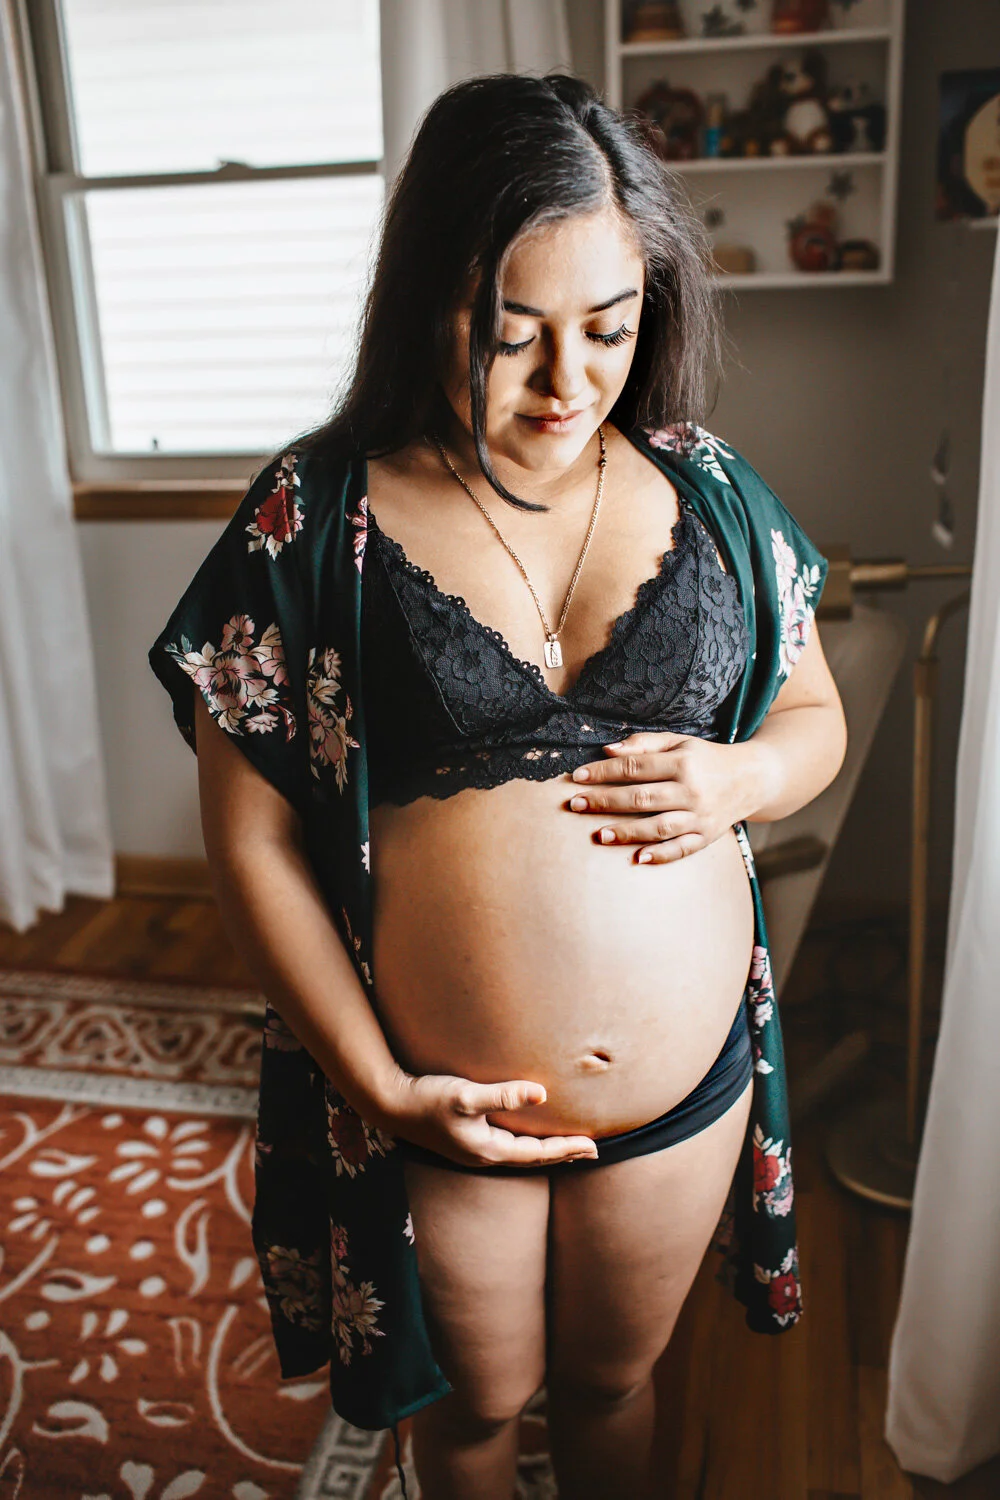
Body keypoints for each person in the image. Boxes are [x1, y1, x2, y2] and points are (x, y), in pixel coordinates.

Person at [149, 71, 847, 1500]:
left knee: (612, 1386)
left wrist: (744, 777)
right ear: (429, 296)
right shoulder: (317, 516)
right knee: (474, 1409)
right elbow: (253, 840)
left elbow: (818, 715)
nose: (567, 381)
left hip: (685, 1091)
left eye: (609, 326)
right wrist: (384, 1088)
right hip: (439, 1091)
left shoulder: (708, 489)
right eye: (513, 331)